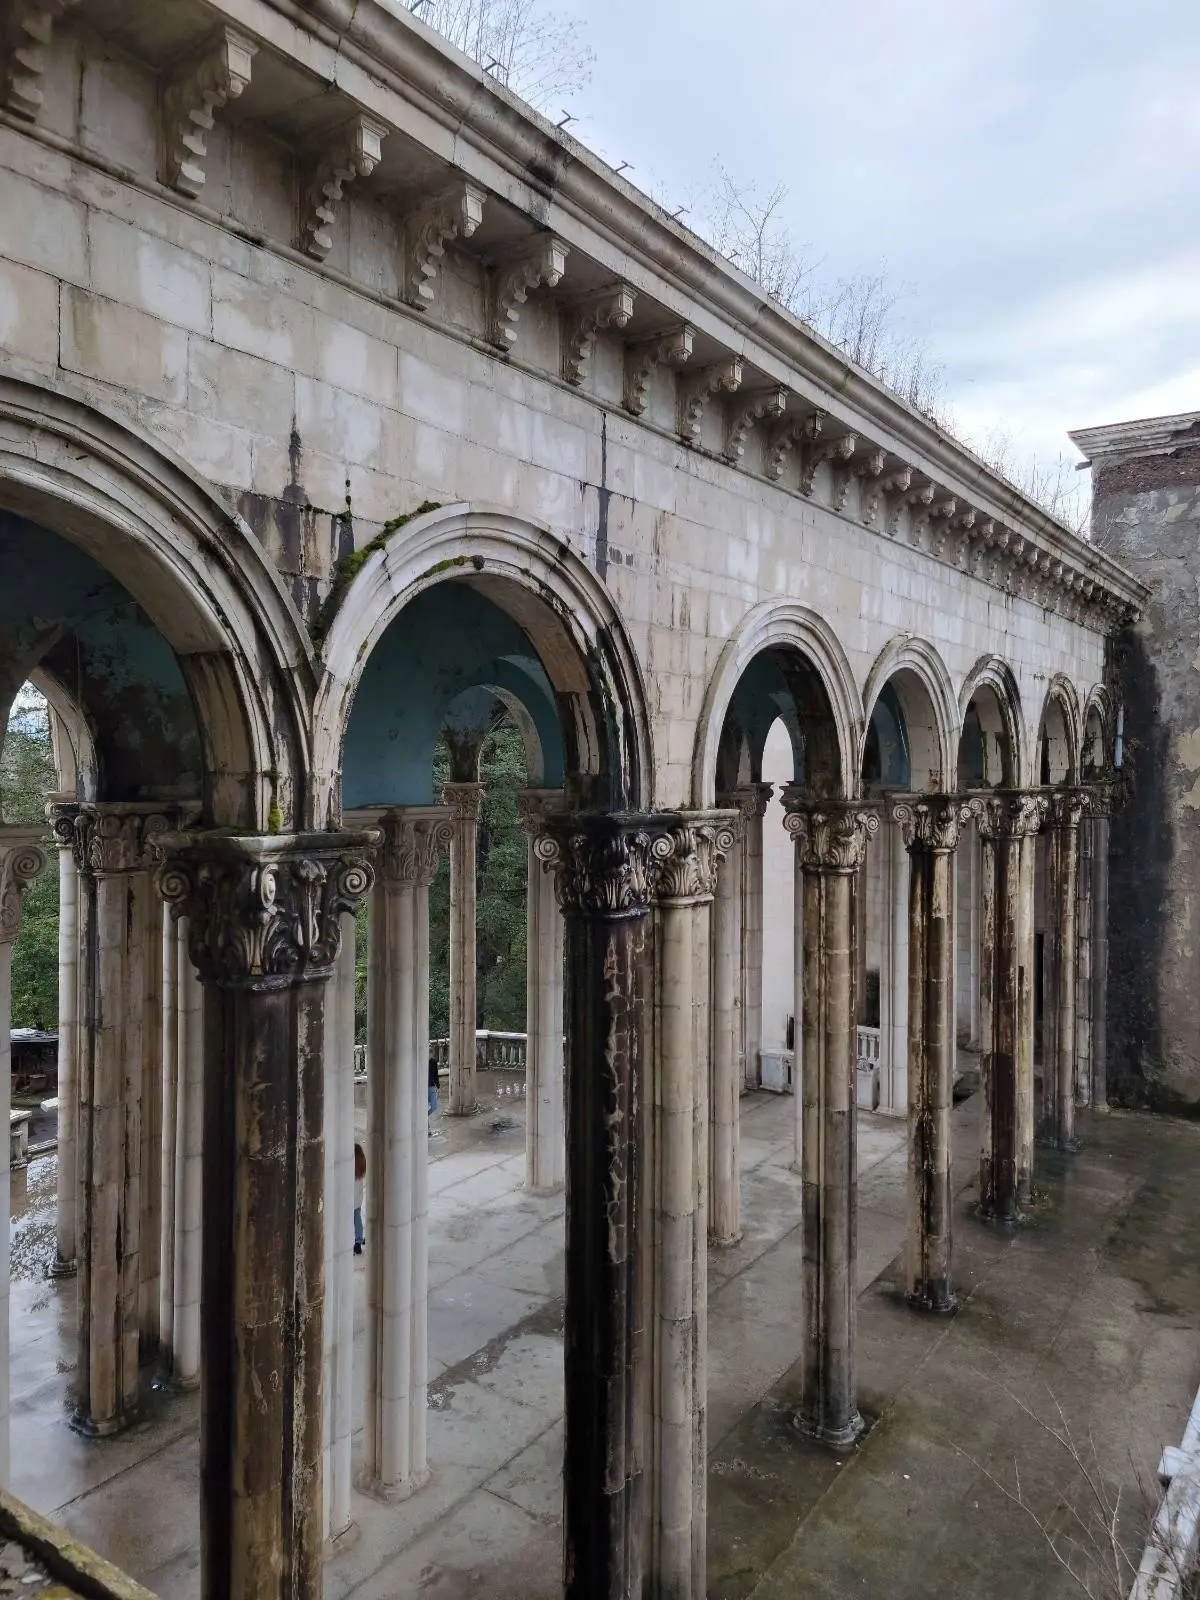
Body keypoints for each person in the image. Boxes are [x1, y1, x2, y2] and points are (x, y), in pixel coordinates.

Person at [353, 1143, 366, 1255]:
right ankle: (359, 1239)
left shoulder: (350, 1169)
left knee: (351, 1221)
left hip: (350, 1201)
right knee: (357, 1220)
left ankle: (357, 1241)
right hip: (357, 1200)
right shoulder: (361, 1168)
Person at [428, 1051, 440, 1133]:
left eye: (430, 1053)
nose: (429, 1055)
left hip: (432, 1086)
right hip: (423, 1088)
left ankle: (422, 1118)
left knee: (434, 1106)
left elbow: (436, 1074)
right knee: (425, 1106)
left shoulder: (434, 1062)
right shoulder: (421, 1061)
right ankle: (426, 1126)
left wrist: (437, 1086)